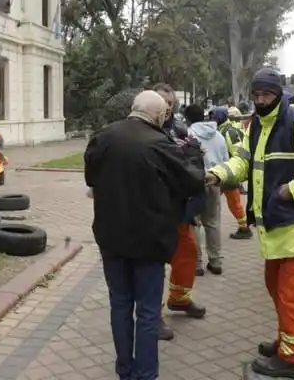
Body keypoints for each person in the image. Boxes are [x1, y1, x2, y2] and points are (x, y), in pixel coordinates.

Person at [205, 68, 294, 379]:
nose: (260, 100)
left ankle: (292, 359)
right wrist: (218, 173)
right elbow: (242, 161)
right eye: (256, 95)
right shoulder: (255, 125)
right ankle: (286, 341)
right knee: (277, 289)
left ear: (278, 94)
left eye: (266, 95)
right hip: (274, 226)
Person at [85, 90, 206, 380]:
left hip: (110, 238)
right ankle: (146, 374)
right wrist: (193, 154)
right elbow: (191, 182)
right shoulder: (160, 144)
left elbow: (91, 179)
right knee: (148, 312)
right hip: (149, 241)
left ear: (133, 108)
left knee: (120, 305)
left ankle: (125, 371)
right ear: (159, 114)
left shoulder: (103, 137)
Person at [153, 84, 207, 327]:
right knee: (152, 265)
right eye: (162, 102)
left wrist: (195, 152)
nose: (166, 107)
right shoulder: (142, 129)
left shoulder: (180, 129)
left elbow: (189, 164)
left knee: (187, 254)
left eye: (170, 103)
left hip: (179, 208)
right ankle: (152, 315)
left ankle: (179, 298)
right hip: (152, 210)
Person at [184, 104, 229, 274]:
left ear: (187, 118)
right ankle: (215, 261)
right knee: (212, 222)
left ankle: (197, 264)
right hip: (215, 180)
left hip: (194, 184)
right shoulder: (218, 135)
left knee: (194, 223)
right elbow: (226, 160)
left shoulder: (188, 135)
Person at [211, 107, 253, 240]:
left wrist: (233, 169)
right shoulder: (220, 130)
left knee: (234, 202)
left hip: (229, 172)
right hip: (221, 172)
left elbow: (238, 152)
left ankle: (244, 228)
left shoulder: (230, 132)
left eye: (215, 117)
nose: (213, 120)